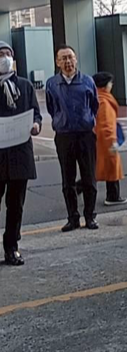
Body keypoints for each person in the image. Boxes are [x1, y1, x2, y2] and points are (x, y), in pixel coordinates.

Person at [46, 45, 99, 232]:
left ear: (76, 59)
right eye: (63, 58)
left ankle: (90, 216)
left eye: (70, 57)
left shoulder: (87, 81)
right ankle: (72, 218)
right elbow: (51, 107)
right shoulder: (52, 84)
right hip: (64, 136)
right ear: (57, 62)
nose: (67, 61)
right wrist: (61, 121)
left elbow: (94, 105)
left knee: (89, 178)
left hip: (85, 135)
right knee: (67, 180)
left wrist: (87, 119)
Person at [0, 41, 42, 265]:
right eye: (0, 54)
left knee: (16, 205)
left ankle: (12, 247)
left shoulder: (25, 86)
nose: (4, 58)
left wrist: (36, 125)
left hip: (19, 152)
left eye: (8, 54)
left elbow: (36, 113)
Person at [92, 72, 127, 206]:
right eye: (110, 83)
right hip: (106, 141)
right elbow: (106, 123)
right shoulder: (104, 101)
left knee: (99, 167)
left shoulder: (97, 97)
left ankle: (80, 187)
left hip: (100, 140)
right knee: (112, 168)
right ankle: (113, 196)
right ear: (105, 85)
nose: (111, 85)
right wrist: (112, 141)